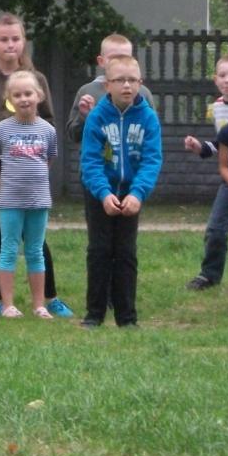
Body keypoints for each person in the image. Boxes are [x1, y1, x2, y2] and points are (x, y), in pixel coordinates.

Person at [0, 12, 73, 318]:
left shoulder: (37, 80)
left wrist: (33, 160)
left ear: (24, 42)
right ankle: (4, 300)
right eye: (3, 39)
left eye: (15, 39)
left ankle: (49, 298)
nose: (10, 44)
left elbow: (48, 120)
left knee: (35, 238)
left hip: (27, 171)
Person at [80, 55, 162, 329]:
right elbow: (90, 161)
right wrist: (103, 193)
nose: (126, 86)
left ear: (140, 83)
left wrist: (138, 194)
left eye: (132, 80)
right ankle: (94, 314)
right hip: (100, 193)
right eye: (120, 80)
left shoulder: (148, 118)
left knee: (126, 252)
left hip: (130, 194)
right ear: (107, 85)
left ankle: (127, 318)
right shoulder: (97, 118)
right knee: (99, 250)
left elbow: (152, 160)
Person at [0, 71, 58, 319]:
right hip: (10, 202)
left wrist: (34, 184)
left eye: (28, 93)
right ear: (9, 99)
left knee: (35, 250)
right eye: (17, 95)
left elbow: (47, 160)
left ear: (39, 95)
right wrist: (1, 187)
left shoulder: (47, 130)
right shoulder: (2, 130)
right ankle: (8, 304)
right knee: (9, 249)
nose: (24, 99)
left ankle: (39, 304)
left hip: (39, 201)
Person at [183, 54, 228, 290]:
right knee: (215, 230)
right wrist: (200, 147)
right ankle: (209, 276)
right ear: (215, 80)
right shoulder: (217, 109)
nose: (227, 80)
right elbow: (220, 144)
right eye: (223, 75)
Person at [65, 34, 155, 144]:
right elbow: (74, 136)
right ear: (101, 61)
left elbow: (152, 133)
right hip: (96, 159)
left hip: (134, 159)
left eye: (125, 58)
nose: (119, 63)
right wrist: (84, 117)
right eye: (113, 58)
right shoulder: (88, 92)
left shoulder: (142, 93)